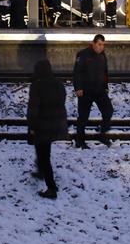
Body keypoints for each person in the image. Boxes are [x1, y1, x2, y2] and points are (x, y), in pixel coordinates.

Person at [27, 59, 68, 200]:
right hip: (54, 124)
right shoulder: (58, 84)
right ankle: (40, 172)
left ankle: (51, 188)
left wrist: (32, 126)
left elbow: (33, 108)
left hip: (42, 125)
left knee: (44, 156)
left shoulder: (37, 86)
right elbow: (62, 101)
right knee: (44, 152)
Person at [73, 34, 112, 149]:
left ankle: (102, 135)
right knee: (83, 117)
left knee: (108, 111)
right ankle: (80, 141)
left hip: (99, 90)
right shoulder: (83, 54)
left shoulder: (102, 55)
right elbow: (77, 72)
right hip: (86, 91)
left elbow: (105, 72)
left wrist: (105, 86)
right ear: (93, 43)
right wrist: (78, 88)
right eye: (99, 44)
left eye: (103, 45)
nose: (101, 47)